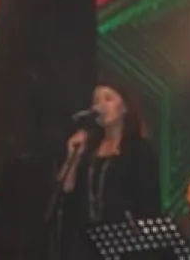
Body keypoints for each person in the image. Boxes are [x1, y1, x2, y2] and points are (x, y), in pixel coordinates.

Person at [57, 83, 161, 258]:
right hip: (88, 245)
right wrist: (72, 157)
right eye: (96, 100)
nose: (101, 105)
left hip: (126, 245)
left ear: (125, 107)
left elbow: (150, 203)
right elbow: (66, 191)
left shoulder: (139, 149)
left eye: (108, 99)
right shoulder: (89, 148)